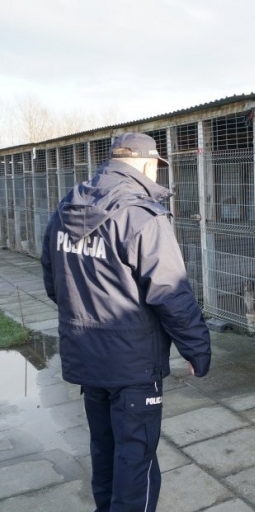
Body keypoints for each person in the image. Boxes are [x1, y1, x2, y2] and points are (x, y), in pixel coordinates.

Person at [41, 132, 212, 512]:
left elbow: (54, 282)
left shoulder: (67, 207)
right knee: (136, 460)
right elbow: (171, 292)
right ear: (146, 164)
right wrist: (197, 348)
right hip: (133, 364)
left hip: (86, 357)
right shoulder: (141, 215)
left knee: (104, 450)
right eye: (155, 167)